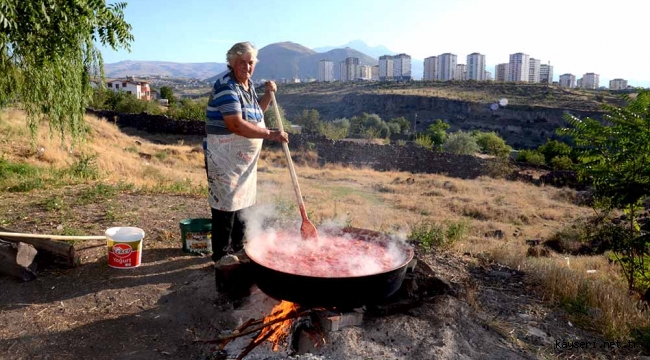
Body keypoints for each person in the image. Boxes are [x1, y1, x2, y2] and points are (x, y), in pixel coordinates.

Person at [204, 42, 288, 265]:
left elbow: (255, 114)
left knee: (244, 202)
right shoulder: (226, 86)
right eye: (241, 62)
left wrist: (268, 95)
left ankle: (239, 249)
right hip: (224, 157)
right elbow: (236, 125)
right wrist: (271, 134)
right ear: (231, 62)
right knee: (225, 205)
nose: (247, 66)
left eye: (250, 62)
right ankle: (221, 256)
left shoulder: (247, 85)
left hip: (244, 160)